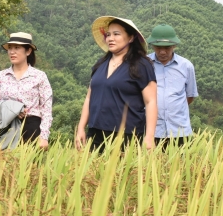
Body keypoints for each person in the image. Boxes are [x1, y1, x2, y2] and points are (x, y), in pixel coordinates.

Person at [75, 16, 157, 151]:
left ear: (131, 38)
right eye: (108, 35)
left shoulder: (141, 65)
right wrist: (81, 128)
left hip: (127, 135)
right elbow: (89, 98)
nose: (110, 38)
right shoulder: (100, 65)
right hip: (96, 133)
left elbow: (151, 102)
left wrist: (149, 137)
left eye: (116, 34)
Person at [0, 32, 53, 149]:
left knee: (29, 166)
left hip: (31, 129)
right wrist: (13, 108)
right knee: (1, 165)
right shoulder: (0, 76)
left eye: (17, 48)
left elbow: (46, 109)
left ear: (28, 51)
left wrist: (44, 136)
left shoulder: (39, 76)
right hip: (4, 128)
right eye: (10, 48)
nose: (12, 52)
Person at [146, 24, 198, 147]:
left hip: (180, 131)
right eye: (158, 47)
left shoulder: (186, 66)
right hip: (152, 132)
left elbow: (190, 96)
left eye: (167, 47)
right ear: (152, 45)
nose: (162, 51)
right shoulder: (144, 64)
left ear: (174, 45)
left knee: (183, 165)